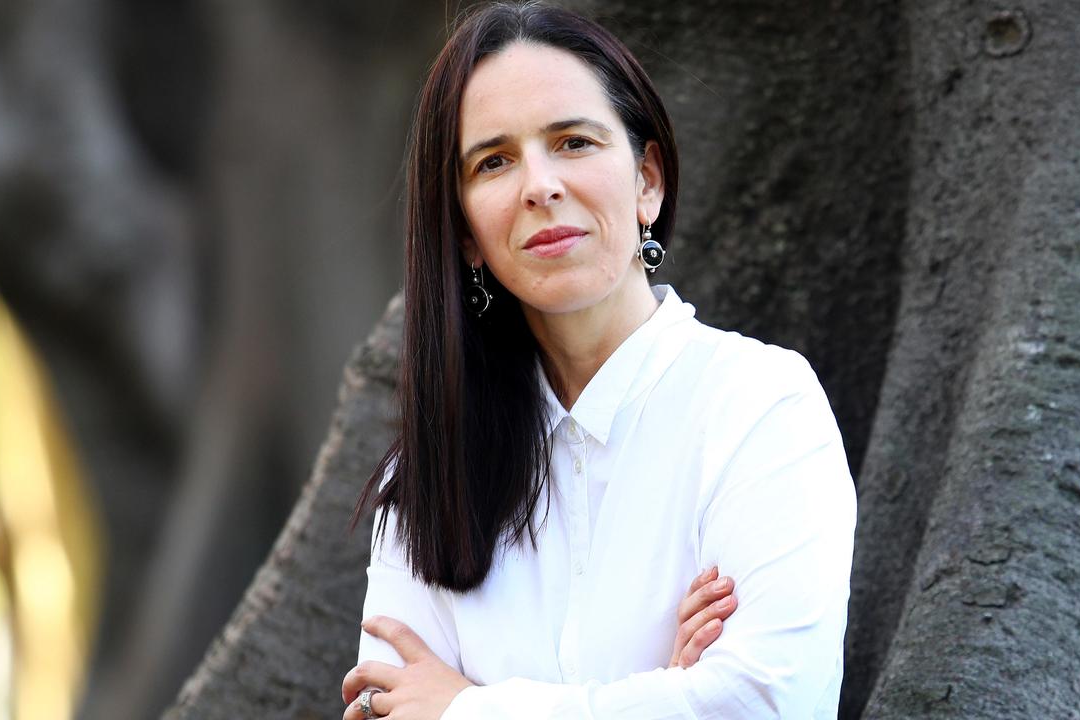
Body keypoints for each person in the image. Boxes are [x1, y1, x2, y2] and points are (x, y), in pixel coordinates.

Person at [341, 2, 856, 718]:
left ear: (647, 181)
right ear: (465, 235)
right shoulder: (427, 478)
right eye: (494, 161)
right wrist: (669, 694)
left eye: (574, 143)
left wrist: (465, 708)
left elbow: (772, 703)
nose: (540, 186)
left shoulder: (760, 405)